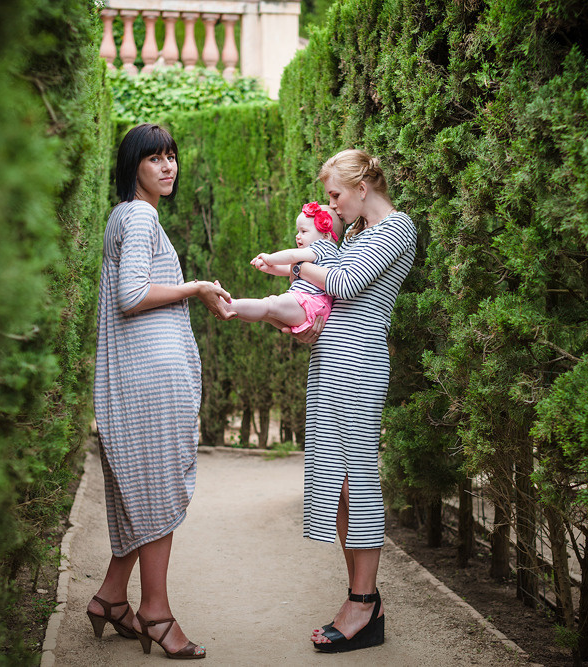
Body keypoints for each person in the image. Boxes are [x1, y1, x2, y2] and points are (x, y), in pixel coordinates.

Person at [87, 123, 231, 660]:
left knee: (142, 491)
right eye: (155, 159)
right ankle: (156, 612)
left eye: (171, 156)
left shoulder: (123, 215)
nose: (168, 167)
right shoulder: (141, 216)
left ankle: (109, 598)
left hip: (140, 376)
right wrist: (197, 287)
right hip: (150, 379)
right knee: (158, 493)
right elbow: (132, 296)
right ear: (134, 167)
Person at [291, 149, 418, 653]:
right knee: (337, 482)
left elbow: (344, 283)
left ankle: (364, 604)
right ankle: (362, 598)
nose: (331, 206)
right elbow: (330, 291)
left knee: (356, 478)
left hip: (360, 364)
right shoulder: (357, 234)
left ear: (362, 188)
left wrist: (299, 263)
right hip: (331, 361)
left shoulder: (397, 228)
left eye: (335, 195)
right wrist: (304, 315)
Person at [221, 202, 341, 331]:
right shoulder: (321, 255)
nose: (297, 236)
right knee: (266, 311)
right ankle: (233, 310)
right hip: (312, 306)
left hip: (311, 303)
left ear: (325, 236)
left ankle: (229, 306)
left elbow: (292, 256)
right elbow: (290, 269)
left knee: (269, 305)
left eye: (304, 231)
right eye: (298, 231)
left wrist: (269, 258)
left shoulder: (322, 247)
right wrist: (270, 268)